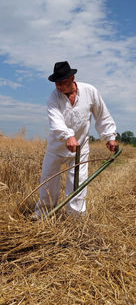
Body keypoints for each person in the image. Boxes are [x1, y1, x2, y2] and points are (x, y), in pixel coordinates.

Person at [34, 61, 117, 217]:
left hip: (81, 147)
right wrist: (68, 136)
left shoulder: (90, 91)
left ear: (72, 78)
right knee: (48, 181)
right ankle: (43, 213)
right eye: (56, 83)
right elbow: (56, 122)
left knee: (77, 183)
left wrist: (109, 136)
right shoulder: (53, 98)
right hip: (56, 147)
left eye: (62, 82)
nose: (58, 86)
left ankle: (75, 217)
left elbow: (102, 115)